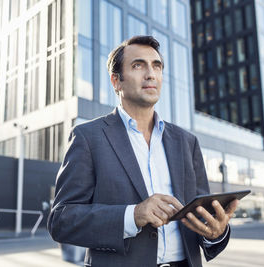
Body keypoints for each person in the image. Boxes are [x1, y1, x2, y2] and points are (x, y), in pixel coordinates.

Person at [47, 35, 239, 267]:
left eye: (156, 66)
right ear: (116, 81)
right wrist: (133, 215)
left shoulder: (187, 142)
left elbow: (200, 219)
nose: (151, 74)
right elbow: (62, 220)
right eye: (138, 65)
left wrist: (215, 233)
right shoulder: (88, 137)